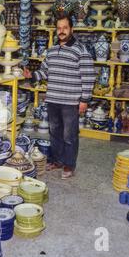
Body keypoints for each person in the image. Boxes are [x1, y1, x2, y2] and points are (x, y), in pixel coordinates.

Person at [31, 16, 96, 179]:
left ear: (71, 29)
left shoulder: (80, 50)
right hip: (53, 99)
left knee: (69, 135)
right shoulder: (51, 50)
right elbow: (44, 71)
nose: (61, 31)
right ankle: (57, 160)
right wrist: (31, 75)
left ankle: (69, 165)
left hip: (70, 101)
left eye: (65, 28)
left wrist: (84, 100)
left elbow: (88, 76)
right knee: (55, 132)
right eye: (59, 28)